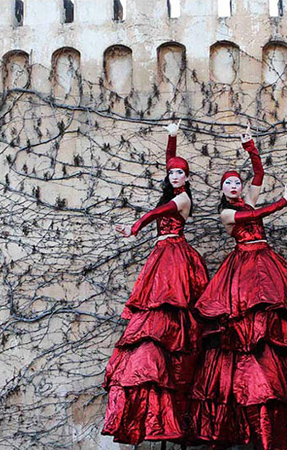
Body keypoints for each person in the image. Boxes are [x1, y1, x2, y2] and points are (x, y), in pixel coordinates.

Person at [191, 127, 287, 450]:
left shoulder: (246, 197)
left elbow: (259, 173)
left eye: (235, 182)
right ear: (221, 190)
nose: (233, 186)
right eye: (227, 183)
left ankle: (279, 405)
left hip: (266, 264)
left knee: (275, 324)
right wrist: (282, 202)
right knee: (245, 328)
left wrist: (250, 146)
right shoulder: (227, 213)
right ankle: (249, 401)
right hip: (243, 269)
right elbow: (254, 215)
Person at [101, 121, 209, 446]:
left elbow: (159, 212)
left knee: (170, 306)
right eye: (172, 174)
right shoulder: (173, 186)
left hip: (174, 255)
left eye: (180, 174)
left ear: (188, 178)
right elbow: (169, 163)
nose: (175, 176)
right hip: (161, 254)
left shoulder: (183, 200)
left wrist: (135, 227)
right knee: (153, 313)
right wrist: (172, 137)